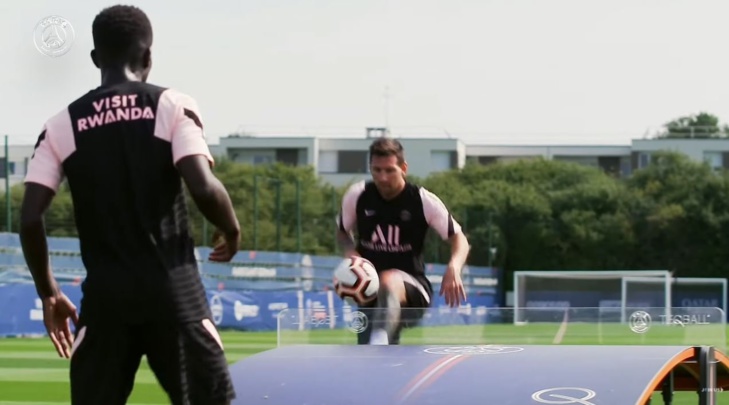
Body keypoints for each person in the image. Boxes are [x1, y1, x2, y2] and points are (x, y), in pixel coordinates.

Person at [19, 5, 240, 405]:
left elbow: (31, 218)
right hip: (174, 293)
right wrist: (232, 227)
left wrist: (49, 293)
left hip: (106, 301)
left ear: (94, 59)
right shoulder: (173, 105)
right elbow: (203, 186)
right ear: (148, 57)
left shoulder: (60, 124)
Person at [335, 137, 471, 345]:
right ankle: (380, 351)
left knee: (389, 280)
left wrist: (454, 267)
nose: (382, 177)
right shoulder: (358, 195)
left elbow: (459, 238)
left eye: (389, 170)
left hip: (413, 292)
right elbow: (343, 232)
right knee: (369, 360)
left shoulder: (423, 201)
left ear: (403, 168)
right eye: (376, 170)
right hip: (369, 291)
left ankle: (378, 345)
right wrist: (351, 254)